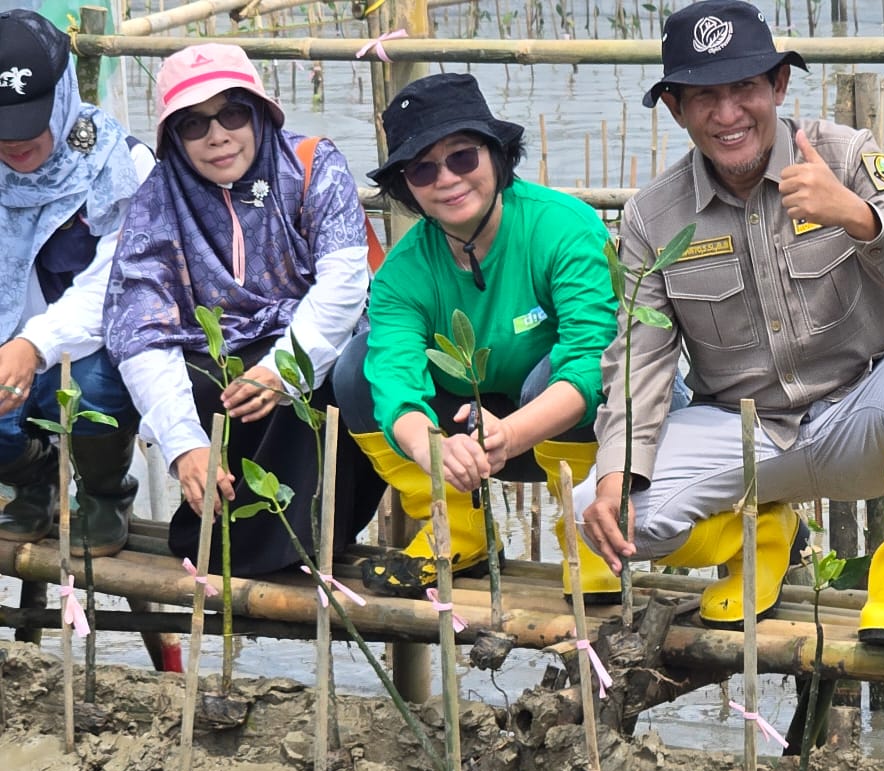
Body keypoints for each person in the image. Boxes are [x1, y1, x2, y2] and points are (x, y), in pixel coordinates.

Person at [575, 0, 884, 639]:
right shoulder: (653, 216)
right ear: (674, 108)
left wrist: (854, 215)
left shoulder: (843, 152)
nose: (727, 115)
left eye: (744, 87)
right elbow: (640, 358)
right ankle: (760, 534)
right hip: (745, 435)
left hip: (861, 417)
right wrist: (615, 469)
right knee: (597, 508)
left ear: (778, 85)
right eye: (702, 96)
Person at [331, 73, 621, 605]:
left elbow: (590, 362)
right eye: (422, 169)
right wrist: (432, 448)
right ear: (406, 188)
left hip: (554, 422)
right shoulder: (402, 273)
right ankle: (456, 530)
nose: (446, 179)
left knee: (559, 374)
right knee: (353, 368)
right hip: (467, 438)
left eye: (462, 157)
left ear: (498, 156)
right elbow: (395, 382)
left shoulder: (566, 229)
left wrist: (507, 435)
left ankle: (589, 537)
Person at [105, 44, 383, 577]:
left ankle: (314, 545)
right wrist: (185, 445)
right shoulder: (158, 201)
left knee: (327, 384)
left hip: (310, 341)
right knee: (210, 389)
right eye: (193, 124)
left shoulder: (311, 166)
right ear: (173, 138)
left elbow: (344, 283)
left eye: (232, 113)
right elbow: (140, 328)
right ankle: (216, 539)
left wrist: (283, 372)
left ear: (258, 113)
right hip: (212, 351)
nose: (217, 136)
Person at [0, 11, 150, 562]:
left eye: (29, 119)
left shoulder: (122, 164)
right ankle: (35, 479)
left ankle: (107, 493)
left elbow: (117, 285)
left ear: (63, 93)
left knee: (91, 383)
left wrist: (32, 345)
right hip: (6, 344)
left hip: (89, 346)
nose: (13, 140)